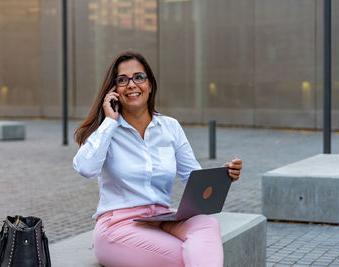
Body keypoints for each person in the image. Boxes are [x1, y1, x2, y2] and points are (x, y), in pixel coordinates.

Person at [73, 51, 242, 267]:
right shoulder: (106, 132)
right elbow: (85, 168)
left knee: (207, 224)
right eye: (122, 80)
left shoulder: (169, 127)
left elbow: (193, 178)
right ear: (113, 90)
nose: (132, 85)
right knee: (185, 258)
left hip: (161, 218)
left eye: (139, 77)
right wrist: (109, 122)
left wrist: (222, 176)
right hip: (118, 226)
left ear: (150, 84)